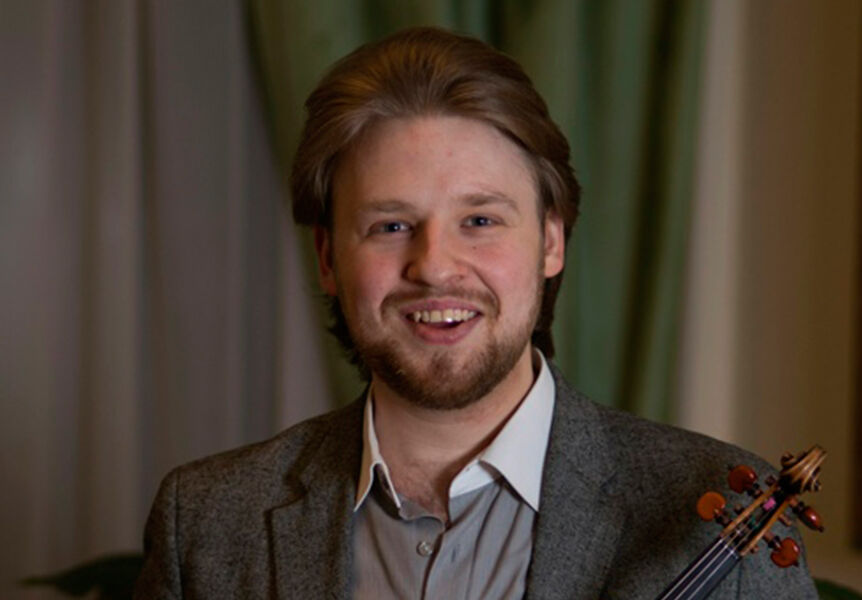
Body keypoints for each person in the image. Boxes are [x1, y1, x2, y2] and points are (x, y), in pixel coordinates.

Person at [135, 26, 818, 599]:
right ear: (327, 259)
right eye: (391, 226)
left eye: (481, 220)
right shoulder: (206, 523)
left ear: (551, 241)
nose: (435, 266)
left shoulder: (713, 513)